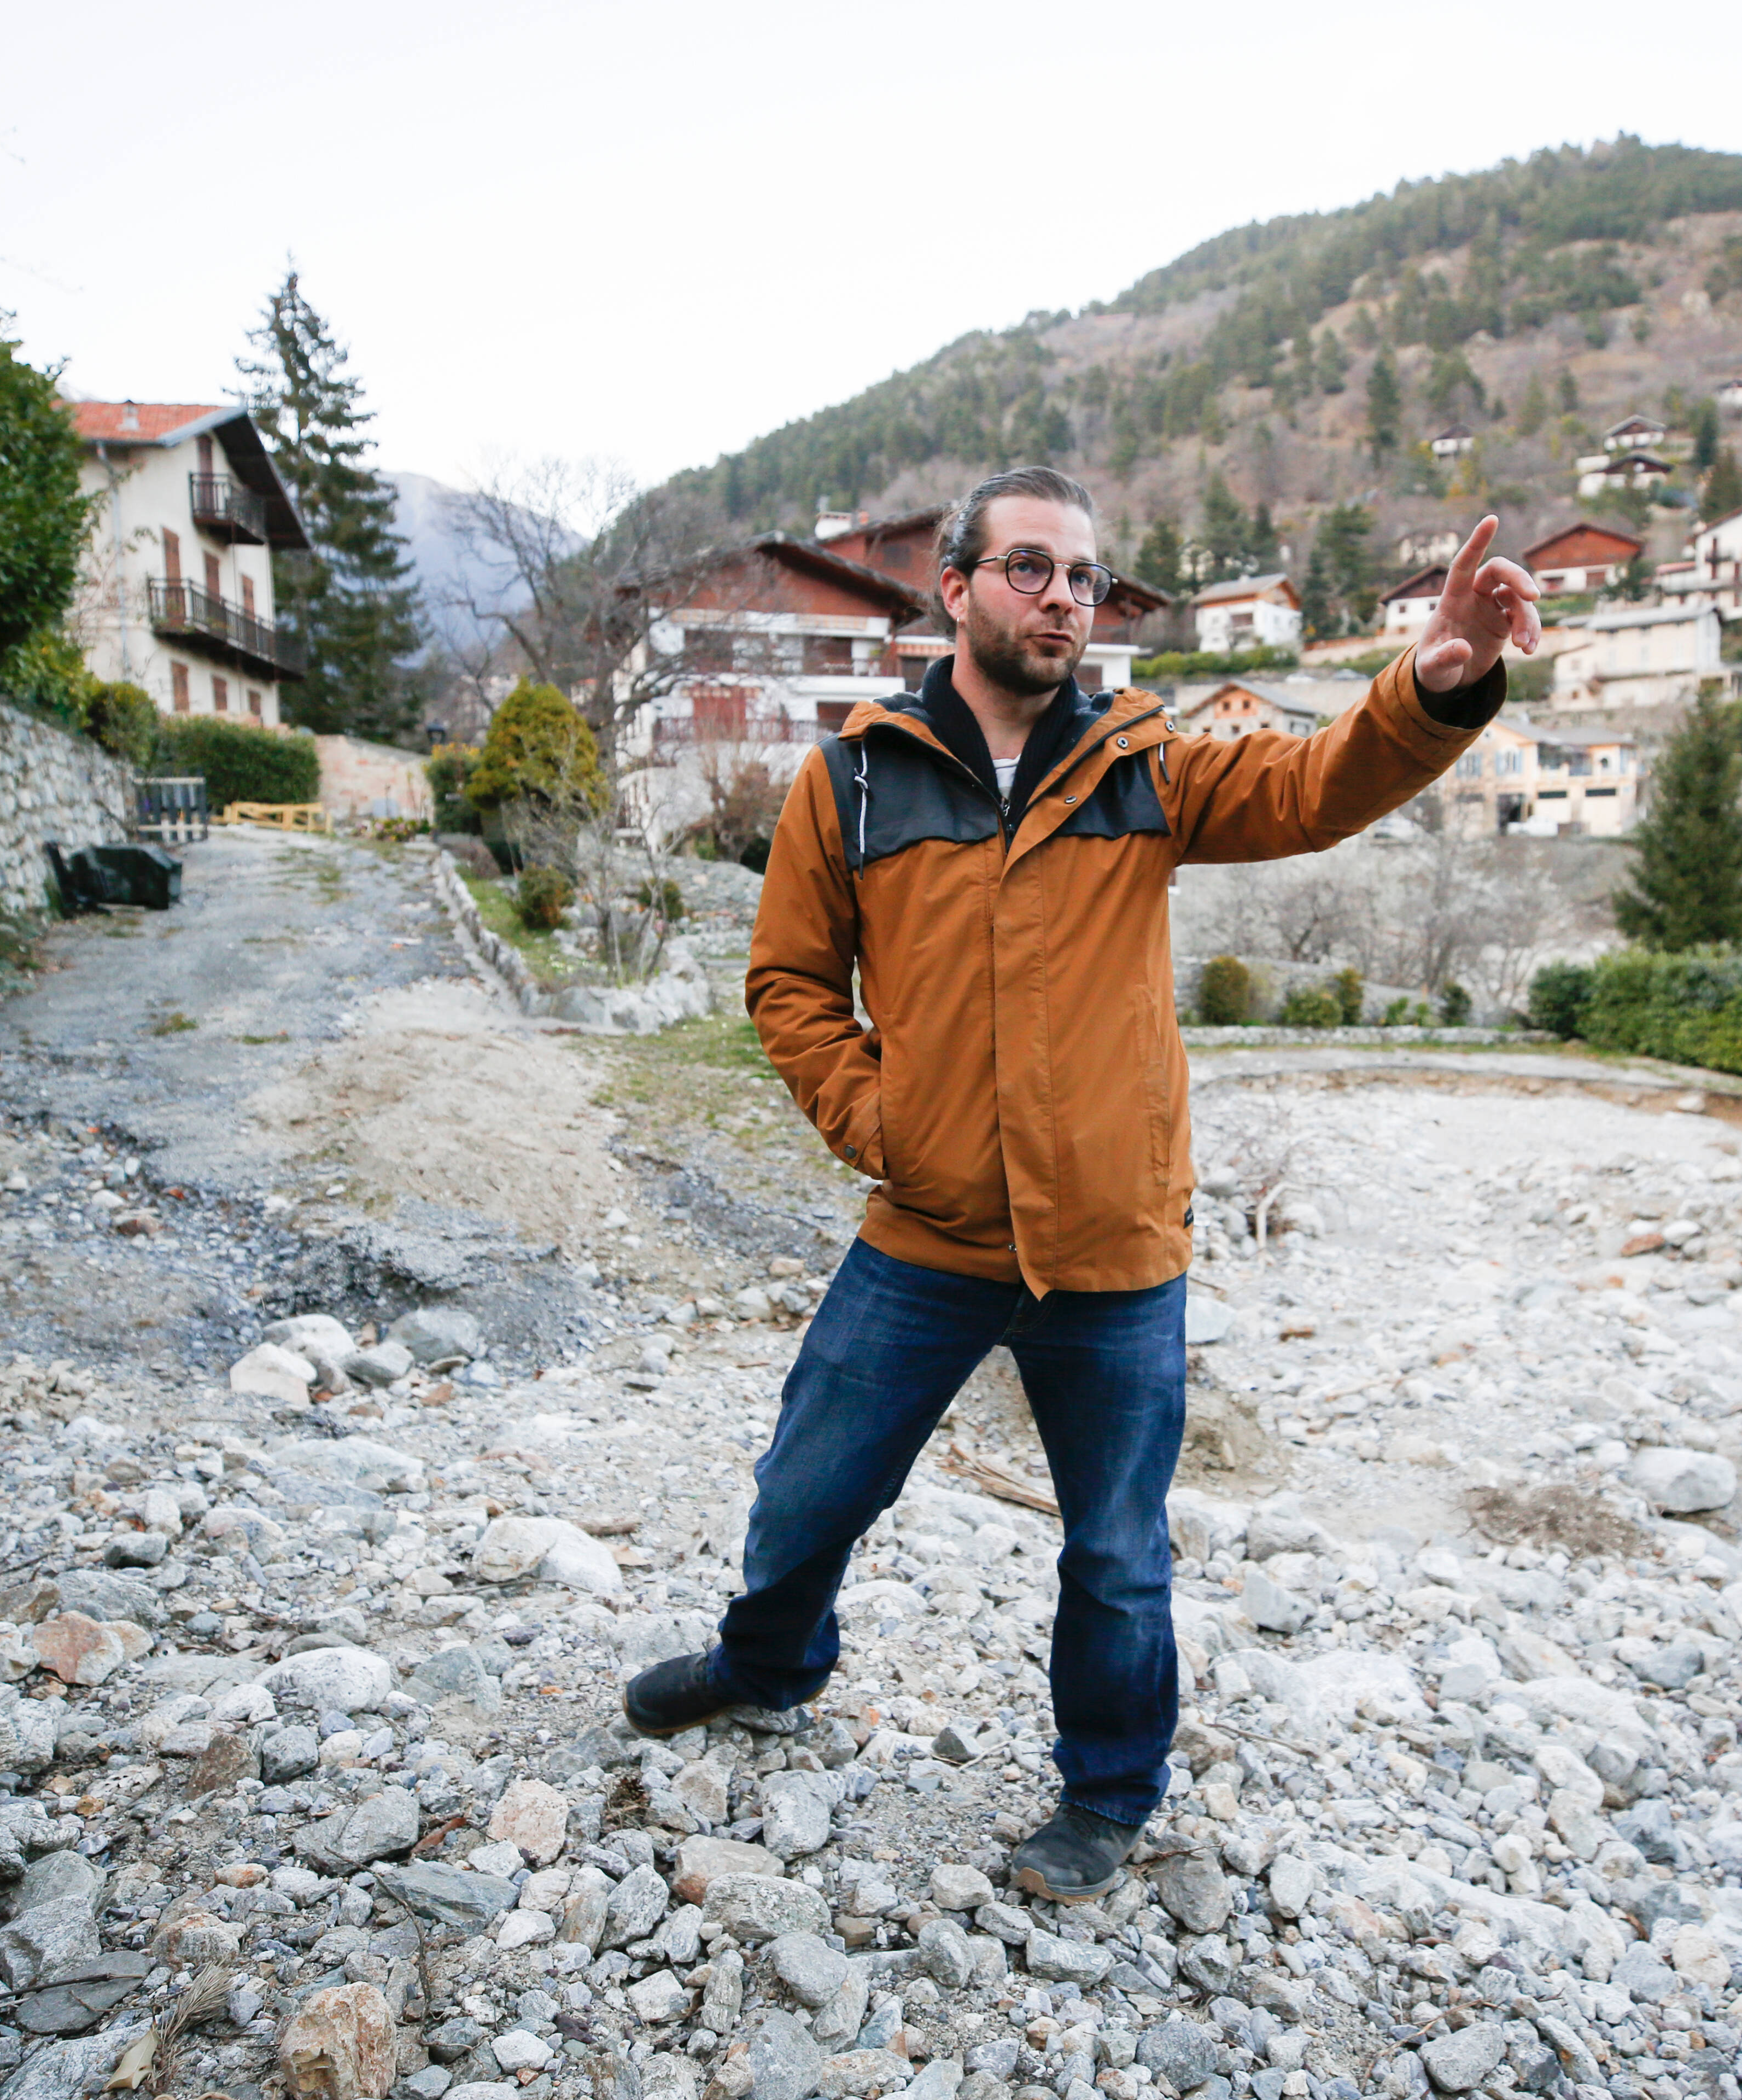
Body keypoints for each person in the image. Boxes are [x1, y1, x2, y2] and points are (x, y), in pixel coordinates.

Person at [624, 466, 1536, 1900]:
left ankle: (1108, 1794)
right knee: (807, 1487)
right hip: (928, 1227)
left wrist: (1433, 684)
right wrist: (882, 1121)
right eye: (1033, 569)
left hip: (1113, 1242)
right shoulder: (850, 778)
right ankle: (769, 1665)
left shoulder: (1144, 763)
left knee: (1116, 1552)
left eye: (1086, 578)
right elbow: (791, 984)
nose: (1066, 599)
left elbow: (1313, 789)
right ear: (958, 586)